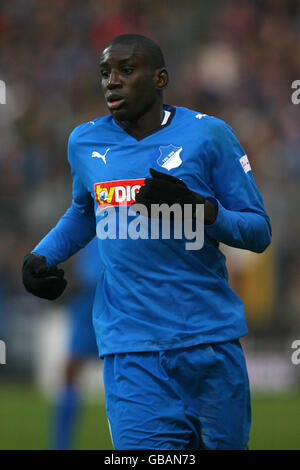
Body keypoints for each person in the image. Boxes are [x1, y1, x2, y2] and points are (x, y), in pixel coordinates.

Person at [22, 34, 271, 450]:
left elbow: (258, 232)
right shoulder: (84, 142)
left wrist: (200, 208)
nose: (112, 82)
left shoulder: (210, 135)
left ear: (160, 79)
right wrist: (42, 255)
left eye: (125, 70)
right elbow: (84, 211)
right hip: (131, 349)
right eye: (105, 73)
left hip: (210, 344)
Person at [51, 237, 100, 450]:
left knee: (72, 368)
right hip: (96, 290)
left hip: (97, 290)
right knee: (72, 368)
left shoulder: (101, 210)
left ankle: (61, 444)